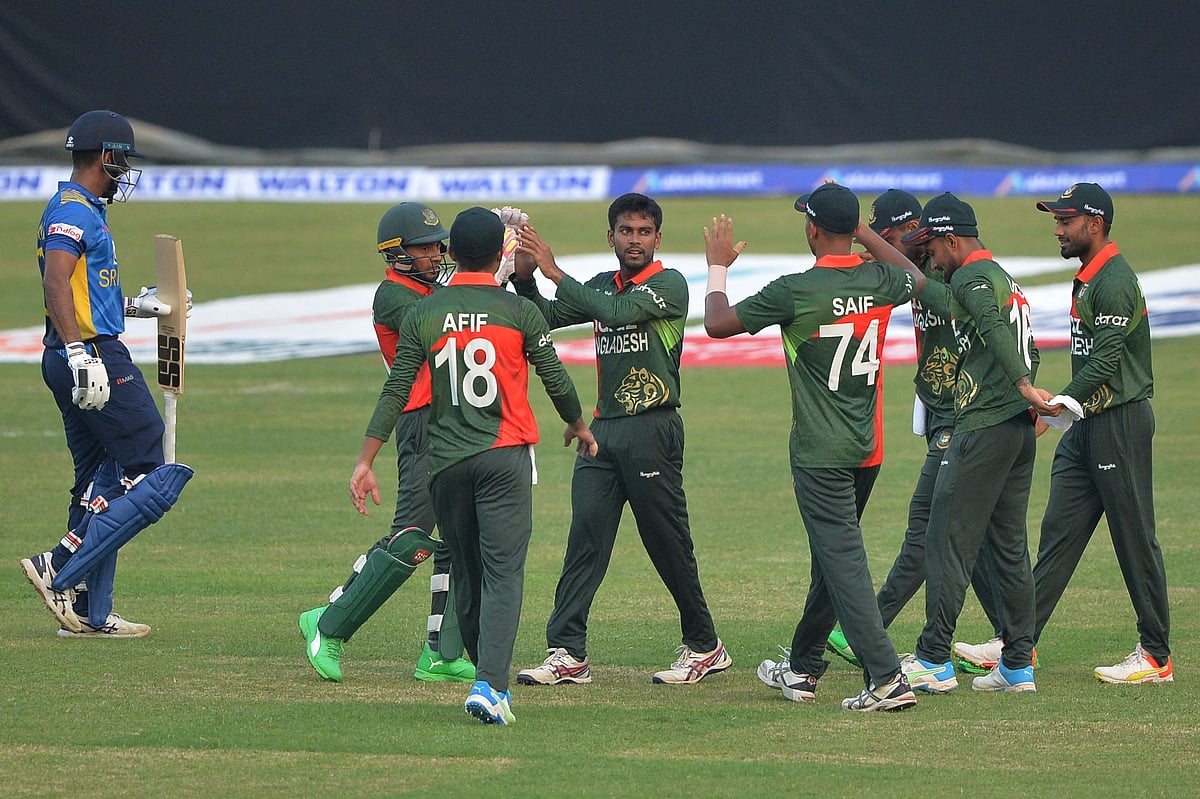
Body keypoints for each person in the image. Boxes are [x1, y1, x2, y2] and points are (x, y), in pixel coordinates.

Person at [349, 207, 597, 725]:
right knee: (503, 573)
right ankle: (490, 684)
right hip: (504, 455)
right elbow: (553, 374)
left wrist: (367, 458)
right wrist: (577, 424)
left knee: (464, 570)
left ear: (453, 254)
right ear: (497, 257)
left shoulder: (426, 311)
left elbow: (397, 387)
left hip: (445, 460)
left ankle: (473, 668)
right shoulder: (518, 311)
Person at [705, 183, 925, 712]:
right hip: (866, 450)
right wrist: (862, 232)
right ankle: (802, 667)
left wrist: (717, 267)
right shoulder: (879, 279)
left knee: (843, 563)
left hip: (819, 454)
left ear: (811, 229)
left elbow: (716, 324)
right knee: (832, 560)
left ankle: (887, 678)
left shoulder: (795, 291)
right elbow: (916, 278)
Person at [511, 192, 731, 687]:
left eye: (644, 232)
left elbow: (614, 313)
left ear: (657, 238)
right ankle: (568, 651)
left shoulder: (670, 285)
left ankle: (705, 645)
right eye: (626, 231)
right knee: (585, 537)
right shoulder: (599, 286)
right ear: (609, 236)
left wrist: (555, 273)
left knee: (667, 542)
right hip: (602, 430)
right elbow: (542, 319)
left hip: (653, 426)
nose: (635, 240)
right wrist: (526, 278)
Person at [957, 183, 1172, 685]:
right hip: (1086, 425)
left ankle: (1156, 655)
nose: (1058, 229)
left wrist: (1061, 401)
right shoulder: (1090, 276)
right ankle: (1019, 646)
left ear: (1094, 224)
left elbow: (1109, 357)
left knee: (1134, 537)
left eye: (1066, 221)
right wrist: (1060, 414)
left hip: (1119, 423)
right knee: (1057, 537)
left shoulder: (1114, 279)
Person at [20, 110, 193, 638]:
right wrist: (80, 353)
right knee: (150, 457)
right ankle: (60, 567)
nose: (124, 171)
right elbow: (55, 284)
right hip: (89, 354)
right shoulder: (74, 210)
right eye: (122, 160)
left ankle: (90, 613)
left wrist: (144, 306)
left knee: (100, 474)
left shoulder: (84, 208)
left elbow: (84, 291)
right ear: (106, 156)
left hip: (79, 349)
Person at [824, 190, 1005, 673]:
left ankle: (869, 630)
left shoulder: (951, 269)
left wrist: (1015, 398)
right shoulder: (909, 266)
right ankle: (1012, 640)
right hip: (940, 406)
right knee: (974, 533)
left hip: (966, 413)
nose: (890, 246)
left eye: (893, 236)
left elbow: (997, 325)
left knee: (929, 530)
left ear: (914, 229)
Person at [298, 202, 476, 684]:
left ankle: (443, 652)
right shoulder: (392, 296)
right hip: (422, 423)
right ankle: (330, 625)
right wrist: (489, 267)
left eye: (438, 245)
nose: (435, 254)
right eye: (423, 247)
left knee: (465, 536)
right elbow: (444, 319)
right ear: (396, 253)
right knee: (413, 537)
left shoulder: (431, 288)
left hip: (461, 421)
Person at [896, 192, 1057, 694]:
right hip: (1014, 428)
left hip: (984, 422)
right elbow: (929, 289)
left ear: (951, 239)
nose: (931, 258)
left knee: (945, 537)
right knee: (1009, 548)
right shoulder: (1000, 276)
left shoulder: (970, 278)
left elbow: (989, 325)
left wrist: (1021, 384)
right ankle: (1016, 665)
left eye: (934, 248)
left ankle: (933, 659)